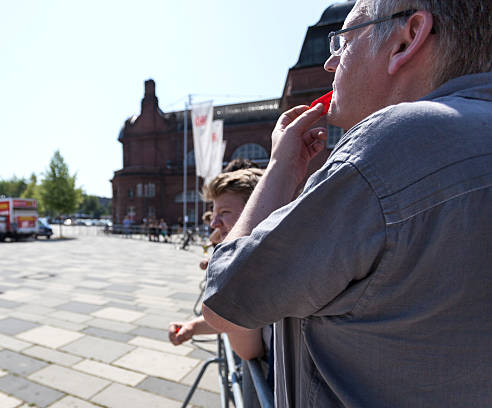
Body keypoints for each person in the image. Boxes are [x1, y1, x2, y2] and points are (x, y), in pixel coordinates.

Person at [202, 1, 492, 407]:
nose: (330, 62)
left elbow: (227, 299)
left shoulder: (398, 138)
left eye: (343, 40)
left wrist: (281, 167)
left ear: (406, 39)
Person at [169, 168, 268, 361]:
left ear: (257, 210)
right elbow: (236, 323)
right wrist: (193, 327)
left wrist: (230, 277)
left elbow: (248, 351)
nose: (214, 223)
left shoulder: (261, 267)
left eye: (224, 212)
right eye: (214, 213)